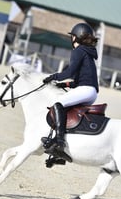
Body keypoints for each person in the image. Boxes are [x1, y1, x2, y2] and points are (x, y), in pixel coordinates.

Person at [41, 22, 99, 159]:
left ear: (75, 37)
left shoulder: (78, 51)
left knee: (58, 104)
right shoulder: (88, 53)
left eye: (72, 36)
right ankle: (60, 150)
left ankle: (59, 141)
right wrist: (65, 85)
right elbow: (80, 79)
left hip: (86, 90)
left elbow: (70, 71)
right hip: (91, 91)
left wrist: (53, 77)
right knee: (66, 109)